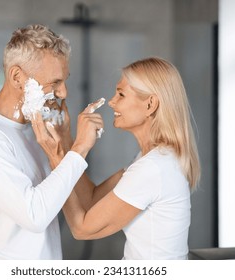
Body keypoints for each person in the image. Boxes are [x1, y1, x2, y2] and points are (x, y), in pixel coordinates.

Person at [0, 24, 103, 259]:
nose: (63, 93)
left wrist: (65, 144)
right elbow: (34, 215)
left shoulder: (34, 131)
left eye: (65, 81)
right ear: (17, 77)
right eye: (55, 82)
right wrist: (80, 148)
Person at [34, 57, 201, 260]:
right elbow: (92, 199)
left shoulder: (153, 168)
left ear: (150, 104)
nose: (112, 101)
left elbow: (82, 229)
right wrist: (68, 142)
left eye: (121, 94)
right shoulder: (149, 159)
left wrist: (56, 156)